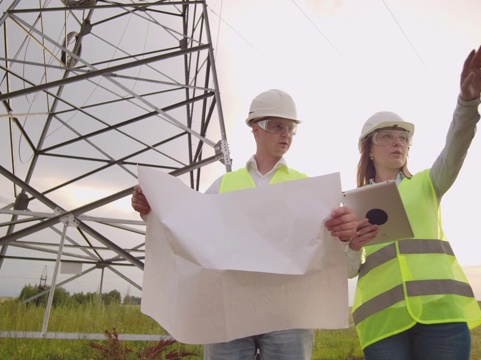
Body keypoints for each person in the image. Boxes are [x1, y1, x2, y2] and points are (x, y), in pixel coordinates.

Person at [131, 88, 358, 360]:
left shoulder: (307, 187)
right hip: (229, 310)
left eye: (290, 128)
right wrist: (152, 211)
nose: (286, 134)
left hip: (287, 313)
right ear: (255, 128)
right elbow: (190, 232)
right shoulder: (224, 185)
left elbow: (328, 248)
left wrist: (345, 232)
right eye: (276, 126)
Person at [346, 44, 481, 359]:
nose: (397, 142)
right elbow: (346, 269)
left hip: (441, 314)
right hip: (383, 323)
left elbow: (457, 144)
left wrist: (467, 103)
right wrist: (352, 247)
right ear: (369, 149)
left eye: (403, 138)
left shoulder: (430, 182)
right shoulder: (349, 203)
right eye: (386, 136)